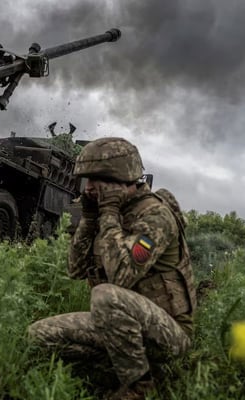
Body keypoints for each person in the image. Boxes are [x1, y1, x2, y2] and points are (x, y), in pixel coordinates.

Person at [28, 137, 197, 399]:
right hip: (123, 327)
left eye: (97, 180)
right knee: (39, 335)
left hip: (168, 335)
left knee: (104, 295)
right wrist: (89, 218)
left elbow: (120, 277)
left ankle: (140, 387)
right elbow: (76, 269)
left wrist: (107, 213)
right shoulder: (108, 211)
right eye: (88, 180)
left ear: (122, 179)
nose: (90, 187)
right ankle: (119, 363)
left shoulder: (155, 216)